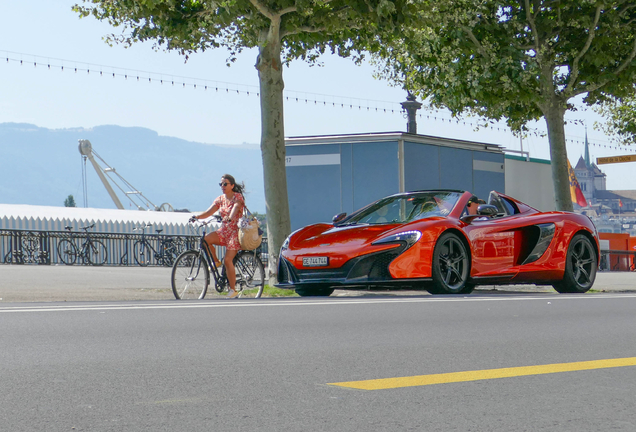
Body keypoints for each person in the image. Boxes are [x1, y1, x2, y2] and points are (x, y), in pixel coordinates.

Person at [190, 174, 245, 299]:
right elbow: (209, 212)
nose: (223, 186)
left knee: (228, 260)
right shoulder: (220, 199)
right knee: (205, 241)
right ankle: (215, 260)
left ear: (232, 185)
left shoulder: (238, 197)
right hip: (224, 231)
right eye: (221, 184)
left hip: (235, 233)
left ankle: (233, 290)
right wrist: (196, 217)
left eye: (225, 184)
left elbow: (236, 207)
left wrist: (230, 217)